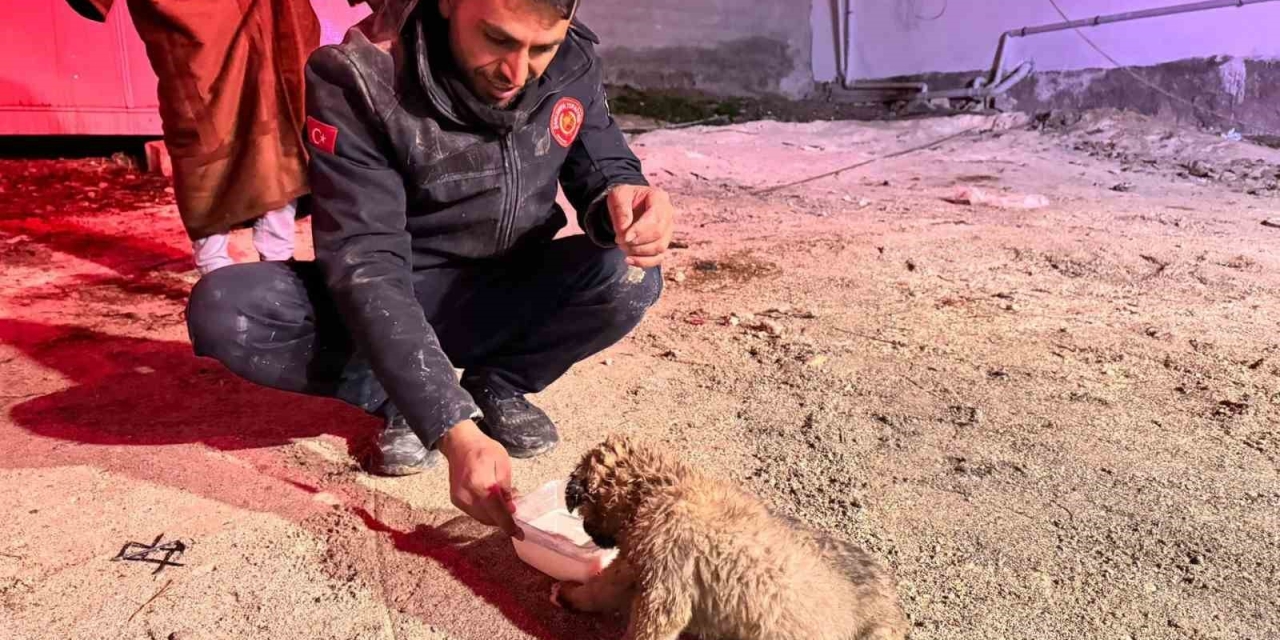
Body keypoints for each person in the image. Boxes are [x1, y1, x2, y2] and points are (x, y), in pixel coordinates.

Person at [184, 0, 675, 538]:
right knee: (228, 309)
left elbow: (603, 162)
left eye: (541, 48)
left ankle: (501, 383)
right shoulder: (360, 78)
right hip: (397, 294)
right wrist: (448, 425)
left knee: (627, 273)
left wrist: (623, 197)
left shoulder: (573, 58)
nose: (517, 73)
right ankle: (398, 394)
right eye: (497, 39)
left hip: (506, 287)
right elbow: (366, 260)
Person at [66, 0, 322, 275]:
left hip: (271, 16)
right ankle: (215, 271)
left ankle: (278, 263)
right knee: (204, 129)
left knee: (280, 120)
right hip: (195, 23)